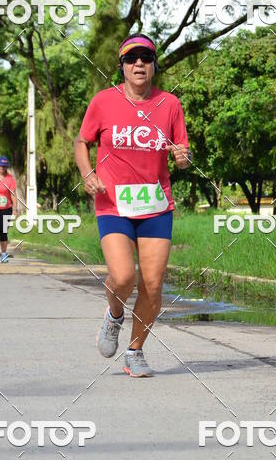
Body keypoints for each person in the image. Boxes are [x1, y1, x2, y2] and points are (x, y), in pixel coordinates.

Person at [74, 33, 192, 378]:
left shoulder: (169, 104)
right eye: (131, 58)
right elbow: (82, 142)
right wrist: (88, 173)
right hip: (113, 203)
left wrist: (183, 157)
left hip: (156, 204)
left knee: (153, 285)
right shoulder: (103, 102)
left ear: (154, 65)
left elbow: (181, 152)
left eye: (145, 57)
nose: (138, 63)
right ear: (122, 67)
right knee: (124, 277)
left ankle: (135, 351)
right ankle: (114, 315)